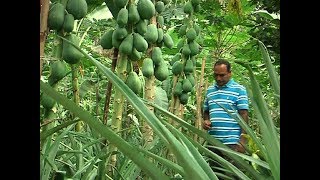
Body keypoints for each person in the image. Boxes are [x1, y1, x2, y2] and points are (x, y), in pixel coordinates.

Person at [202, 59, 249, 172]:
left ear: (230, 73)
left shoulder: (239, 90)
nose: (218, 78)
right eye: (216, 75)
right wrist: (206, 121)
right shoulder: (210, 91)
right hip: (213, 143)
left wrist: (243, 141)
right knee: (215, 175)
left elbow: (244, 114)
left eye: (222, 75)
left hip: (232, 144)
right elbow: (206, 111)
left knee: (233, 175)